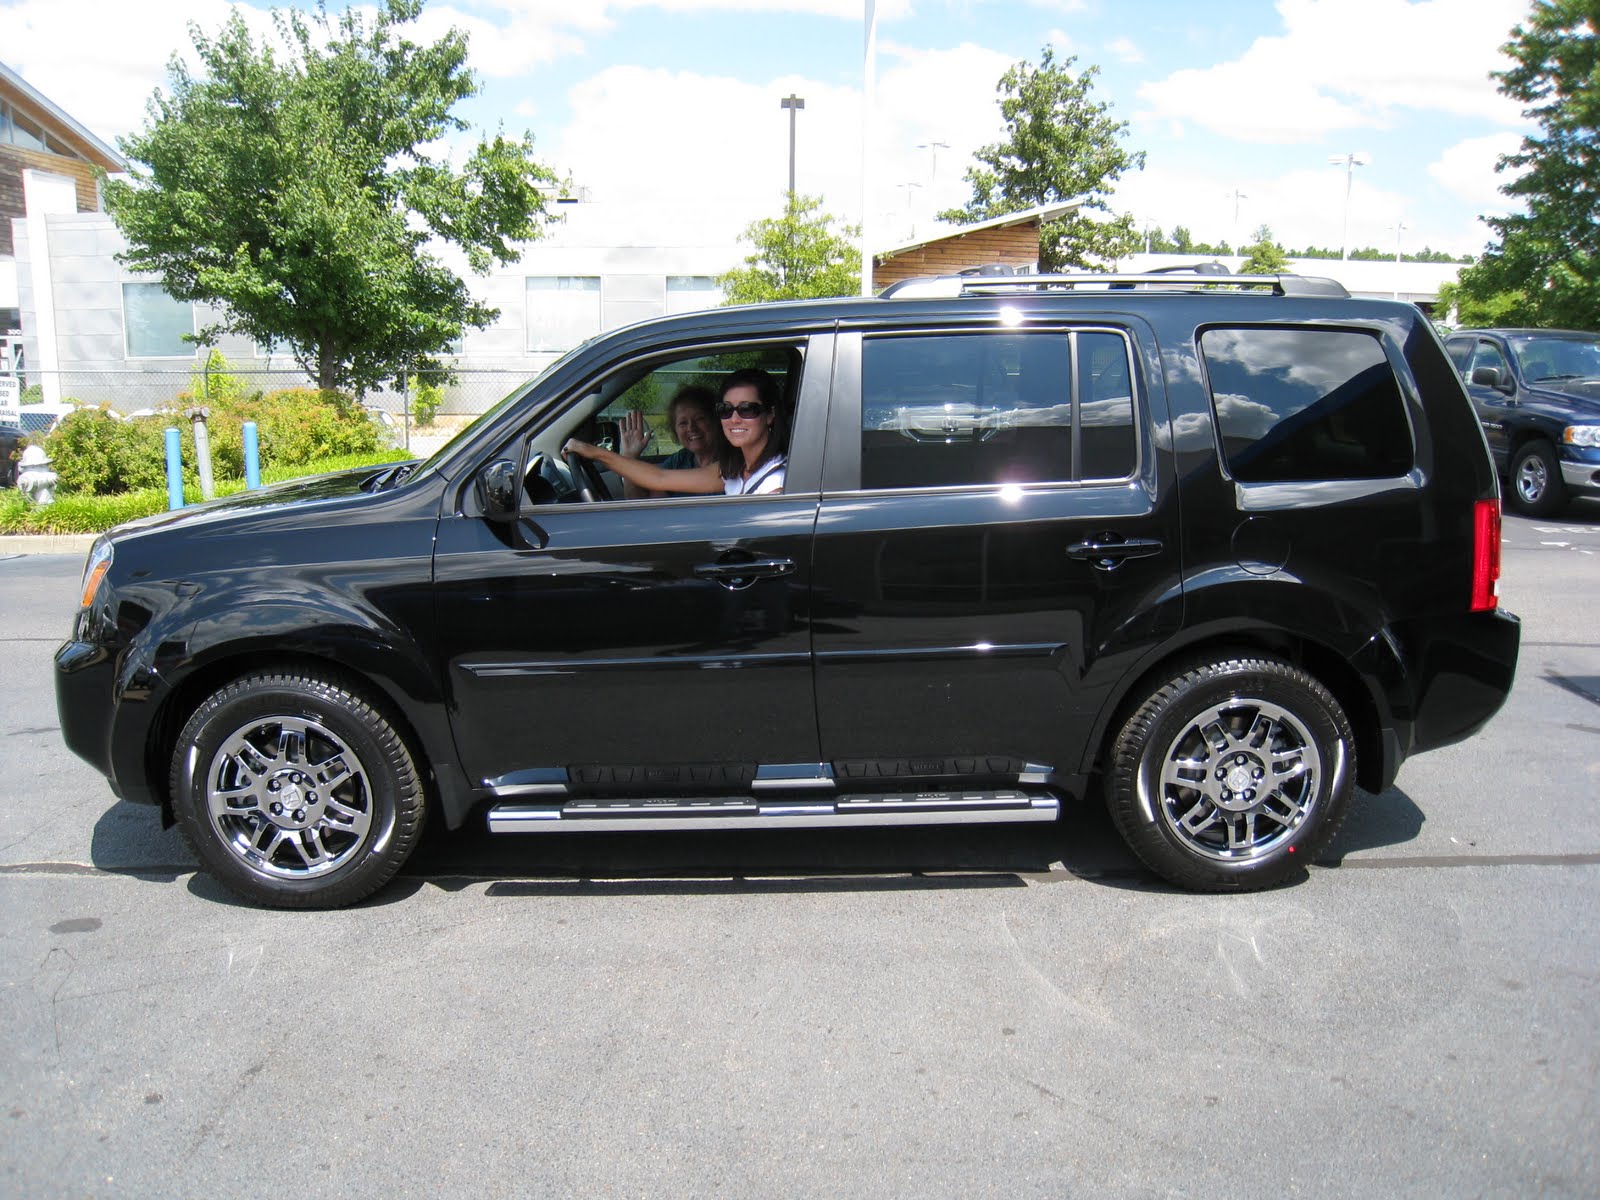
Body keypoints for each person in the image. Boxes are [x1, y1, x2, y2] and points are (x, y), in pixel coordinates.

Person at [565, 368, 787, 497]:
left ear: (770, 415)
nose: (734, 418)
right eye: (726, 410)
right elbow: (659, 478)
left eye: (747, 409)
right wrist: (592, 452)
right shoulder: (732, 470)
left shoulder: (780, 479)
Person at [616, 385, 724, 498]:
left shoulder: (732, 461)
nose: (691, 428)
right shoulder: (679, 461)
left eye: (699, 419)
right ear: (675, 430)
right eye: (683, 423)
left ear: (715, 421)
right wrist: (630, 457)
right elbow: (646, 506)